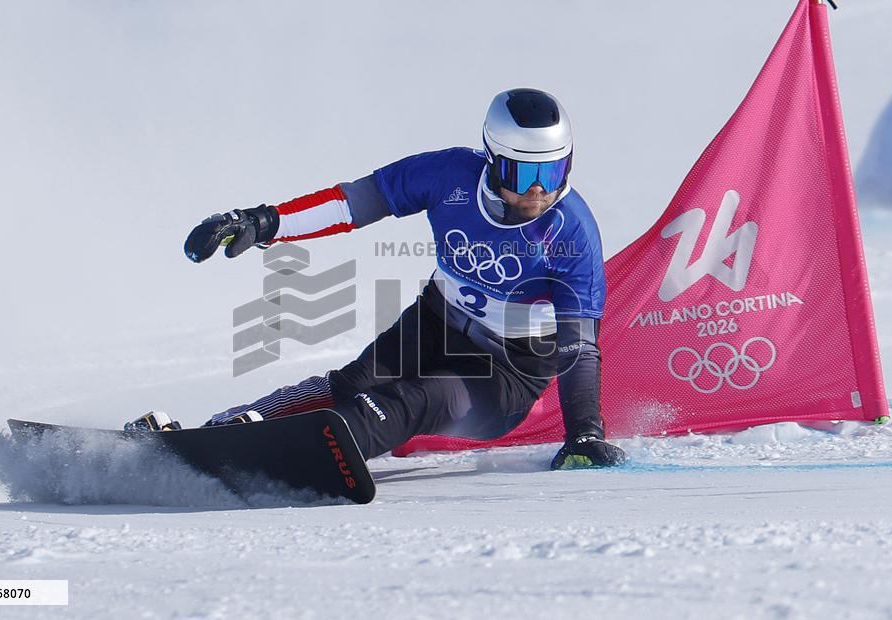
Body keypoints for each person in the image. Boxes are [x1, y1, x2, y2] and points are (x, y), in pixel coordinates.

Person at [180, 88, 625, 469]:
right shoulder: (448, 175)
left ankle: (304, 458)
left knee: (417, 399)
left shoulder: (572, 231)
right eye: (525, 173)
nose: (539, 190)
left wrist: (584, 431)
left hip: (508, 370)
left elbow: (579, 346)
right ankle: (222, 431)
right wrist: (263, 222)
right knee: (353, 386)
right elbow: (351, 204)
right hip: (436, 322)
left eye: (553, 171)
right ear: (493, 160)